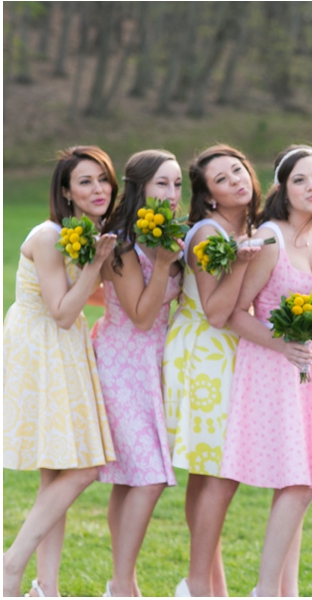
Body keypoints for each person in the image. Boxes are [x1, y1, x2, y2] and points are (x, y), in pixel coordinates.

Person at [220, 145, 312, 596]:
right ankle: (264, 590)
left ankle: (286, 592)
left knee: (302, 481)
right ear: (283, 187)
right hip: (273, 368)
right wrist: (283, 345)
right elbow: (238, 312)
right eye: (300, 180)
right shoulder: (270, 237)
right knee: (299, 483)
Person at [3, 146, 118, 597]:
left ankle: (44, 588)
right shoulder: (50, 235)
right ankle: (11, 564)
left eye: (103, 179)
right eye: (85, 181)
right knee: (85, 466)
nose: (97, 189)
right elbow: (62, 311)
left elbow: (84, 298)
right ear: (66, 192)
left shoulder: (85, 233)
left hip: (64, 348)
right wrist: (96, 265)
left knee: (57, 472)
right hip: (42, 348)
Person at [162, 145, 264, 597]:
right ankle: (198, 584)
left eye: (238, 170)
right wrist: (241, 263)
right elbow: (217, 311)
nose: (236, 180)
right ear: (208, 197)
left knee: (208, 473)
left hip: (225, 355)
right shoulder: (207, 234)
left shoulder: (248, 227)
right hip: (204, 357)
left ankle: (209, 585)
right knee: (222, 470)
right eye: (222, 179)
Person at [93, 150, 184, 597]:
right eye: (162, 184)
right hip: (120, 364)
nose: (171, 194)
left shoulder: (168, 236)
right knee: (148, 477)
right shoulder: (123, 243)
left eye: (177, 185)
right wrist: (165, 265)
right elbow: (142, 317)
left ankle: (122, 581)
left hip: (155, 368)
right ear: (140, 188)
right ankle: (121, 586)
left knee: (134, 477)